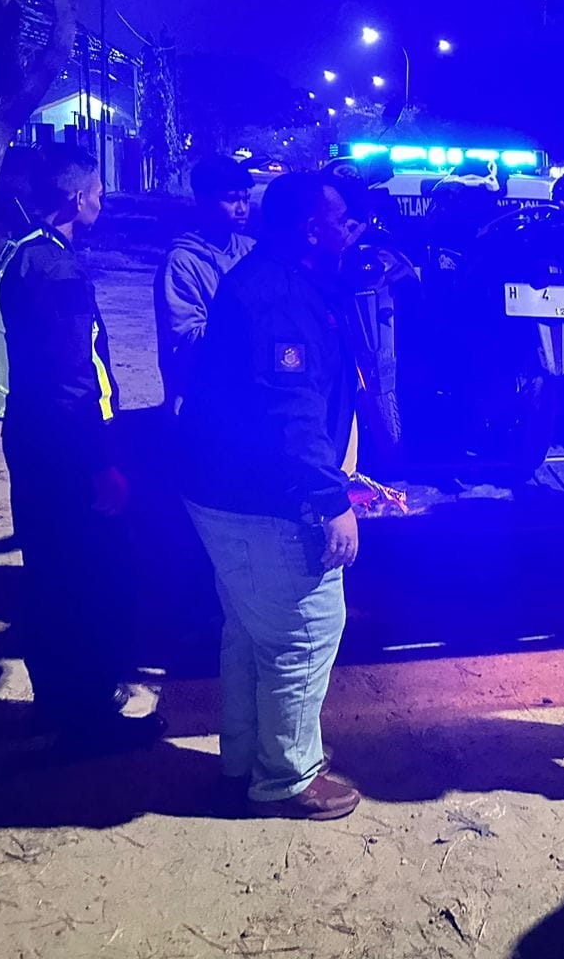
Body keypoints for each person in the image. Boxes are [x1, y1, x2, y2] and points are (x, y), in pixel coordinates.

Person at [180, 171, 366, 820]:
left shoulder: (274, 278)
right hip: (262, 497)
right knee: (304, 632)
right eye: (342, 220)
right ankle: (288, 776)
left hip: (224, 487)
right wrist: (332, 499)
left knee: (251, 632)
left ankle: (246, 759)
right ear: (312, 229)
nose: (352, 230)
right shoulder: (279, 299)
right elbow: (290, 411)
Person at [0, 143, 166, 751]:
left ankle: (59, 702)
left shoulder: (18, 252)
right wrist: (101, 459)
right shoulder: (56, 270)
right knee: (82, 576)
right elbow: (75, 373)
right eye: (98, 193)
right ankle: (86, 716)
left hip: (30, 432)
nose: (101, 203)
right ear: (76, 198)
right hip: (64, 442)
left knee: (49, 572)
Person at [154, 156, 256, 408]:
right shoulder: (182, 261)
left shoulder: (251, 251)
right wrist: (249, 326)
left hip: (245, 394)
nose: (242, 209)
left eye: (246, 199)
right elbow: (186, 339)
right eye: (231, 199)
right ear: (205, 202)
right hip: (200, 397)